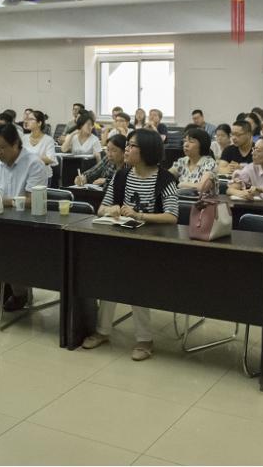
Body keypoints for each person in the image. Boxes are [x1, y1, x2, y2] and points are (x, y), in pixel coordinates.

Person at [84, 130, 179, 361]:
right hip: (123, 239)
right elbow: (101, 209)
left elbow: (172, 216)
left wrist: (140, 215)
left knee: (136, 279)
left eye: (131, 146)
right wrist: (111, 210)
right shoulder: (121, 175)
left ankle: (144, 339)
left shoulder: (165, 179)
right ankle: (102, 331)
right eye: (126, 145)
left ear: (146, 150)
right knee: (109, 277)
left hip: (152, 245)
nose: (126, 149)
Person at [0, 123, 49, 311]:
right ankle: (3, 288)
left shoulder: (34, 164)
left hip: (28, 225)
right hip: (0, 220)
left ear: (15, 144)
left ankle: (20, 293)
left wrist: (3, 201)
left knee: (12, 246)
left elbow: (32, 201)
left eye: (2, 148)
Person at [169, 127, 217, 192]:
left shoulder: (209, 163)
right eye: (185, 141)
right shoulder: (182, 161)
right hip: (181, 198)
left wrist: (182, 184)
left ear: (202, 145)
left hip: (202, 199)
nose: (185, 145)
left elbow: (203, 187)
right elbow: (166, 177)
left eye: (191, 141)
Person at [22, 110, 57, 181]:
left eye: (31, 119)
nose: (27, 121)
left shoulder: (48, 140)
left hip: (42, 176)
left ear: (39, 123)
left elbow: (50, 160)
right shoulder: (24, 138)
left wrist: (30, 157)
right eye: (27, 119)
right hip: (26, 175)